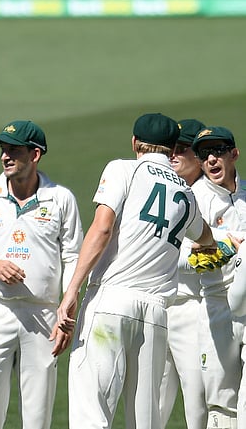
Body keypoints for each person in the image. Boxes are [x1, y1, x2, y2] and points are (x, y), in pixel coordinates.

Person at [53, 113, 216, 428]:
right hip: (155, 315)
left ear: (134, 142)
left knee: (92, 413)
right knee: (145, 421)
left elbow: (102, 229)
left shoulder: (122, 168)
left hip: (111, 303)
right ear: (172, 151)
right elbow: (205, 236)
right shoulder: (186, 193)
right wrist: (209, 246)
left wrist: (72, 289)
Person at [0, 120, 83, 429]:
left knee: (37, 415)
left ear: (35, 154)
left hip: (42, 316)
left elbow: (73, 257)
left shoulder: (61, 199)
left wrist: (67, 307)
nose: (5, 156)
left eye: (14, 150)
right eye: (3, 150)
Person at [188, 126, 246, 429]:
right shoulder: (194, 198)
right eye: (204, 154)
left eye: (218, 151)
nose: (211, 159)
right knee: (221, 399)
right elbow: (183, 250)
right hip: (216, 305)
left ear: (234, 154)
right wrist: (220, 244)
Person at [159, 118, 210, 429]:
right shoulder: (164, 188)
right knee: (150, 403)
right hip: (157, 307)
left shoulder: (208, 194)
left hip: (193, 307)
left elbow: (215, 253)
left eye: (182, 149)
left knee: (198, 404)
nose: (173, 155)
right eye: (170, 149)